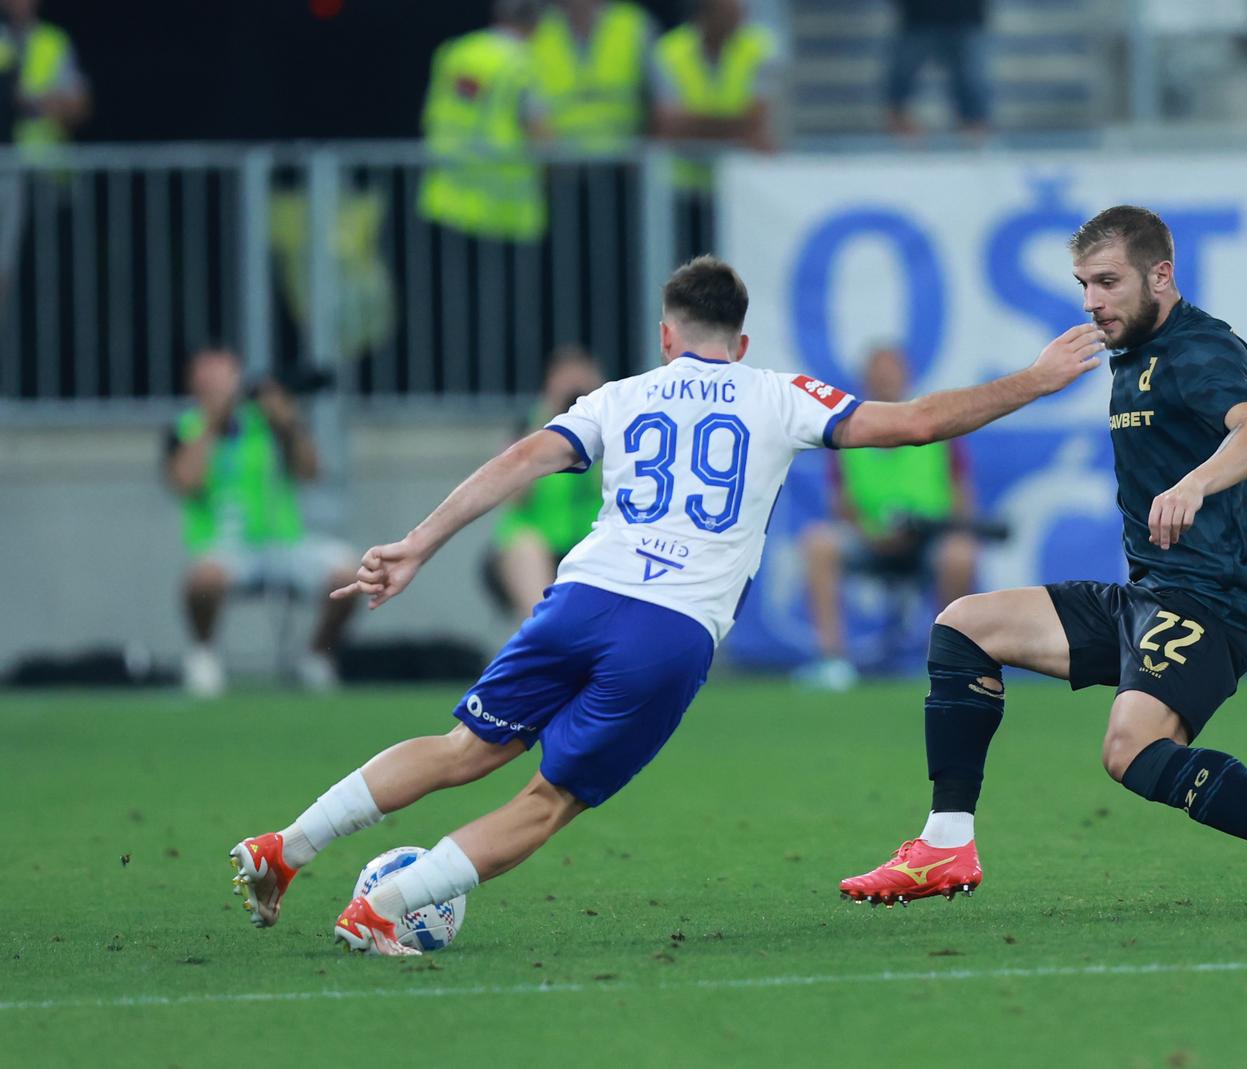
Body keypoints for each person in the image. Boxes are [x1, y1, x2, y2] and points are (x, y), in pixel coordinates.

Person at [225, 255, 1107, 954]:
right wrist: (1032, 379)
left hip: (579, 595)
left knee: (463, 747)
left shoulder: (620, 396)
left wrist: (417, 543)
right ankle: (385, 907)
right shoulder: (780, 393)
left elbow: (519, 461)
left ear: (667, 333)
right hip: (668, 628)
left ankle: (285, 847)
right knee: (548, 800)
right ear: (743, 339)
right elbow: (914, 422)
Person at [839, 206, 1247, 918]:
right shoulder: (1132, 356)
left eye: (1108, 281)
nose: (1093, 300)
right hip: (1151, 595)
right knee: (965, 625)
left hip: (1214, 603)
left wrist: (1194, 482)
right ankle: (946, 841)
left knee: (1131, 750)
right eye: (1083, 284)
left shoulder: (1202, 349)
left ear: (1161, 275)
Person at [164, 348, 359, 697]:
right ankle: (204, 656)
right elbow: (185, 482)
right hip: (224, 548)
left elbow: (311, 473)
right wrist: (211, 423)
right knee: (202, 580)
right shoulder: (185, 428)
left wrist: (287, 424)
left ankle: (316, 659)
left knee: (350, 576)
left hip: (283, 542)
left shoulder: (265, 422)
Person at [797, 343, 978, 690]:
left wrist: (930, 528)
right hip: (869, 539)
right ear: (865, 383)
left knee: (960, 553)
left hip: (928, 540)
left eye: (891, 376)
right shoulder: (846, 432)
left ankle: (949, 662)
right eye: (877, 377)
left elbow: (961, 500)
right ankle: (832, 661)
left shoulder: (938, 431)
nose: (885, 384)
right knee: (818, 542)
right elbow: (840, 504)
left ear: (907, 379)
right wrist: (872, 534)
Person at [650, 0, 780, 256]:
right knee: (687, 278)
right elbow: (669, 126)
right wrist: (736, 126)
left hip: (740, 189)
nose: (740, 17)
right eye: (729, 11)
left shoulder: (759, 48)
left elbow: (757, 121)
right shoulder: (669, 51)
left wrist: (694, 126)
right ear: (706, 13)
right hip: (684, 189)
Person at [485, 347, 605, 616]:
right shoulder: (527, 426)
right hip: (535, 545)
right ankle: (543, 633)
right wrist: (550, 414)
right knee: (527, 549)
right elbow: (515, 495)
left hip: (590, 542)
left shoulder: (614, 427)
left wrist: (596, 409)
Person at [418, 0, 546, 243]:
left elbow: (431, 112)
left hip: (445, 199)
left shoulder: (457, 52)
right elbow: (542, 135)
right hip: (501, 209)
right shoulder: (523, 64)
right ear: (536, 23)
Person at [529, 0, 656, 152]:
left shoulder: (633, 24)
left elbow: (662, 103)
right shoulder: (536, 27)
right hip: (559, 161)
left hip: (624, 159)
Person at [885, 0, 990, 140]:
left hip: (964, 16)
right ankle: (899, 127)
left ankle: (974, 131)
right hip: (918, 17)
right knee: (902, 75)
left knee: (971, 79)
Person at [2, 0, 90, 149]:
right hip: (4, 163)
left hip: (46, 163)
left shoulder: (53, 41)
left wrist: (33, 102)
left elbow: (81, 107)